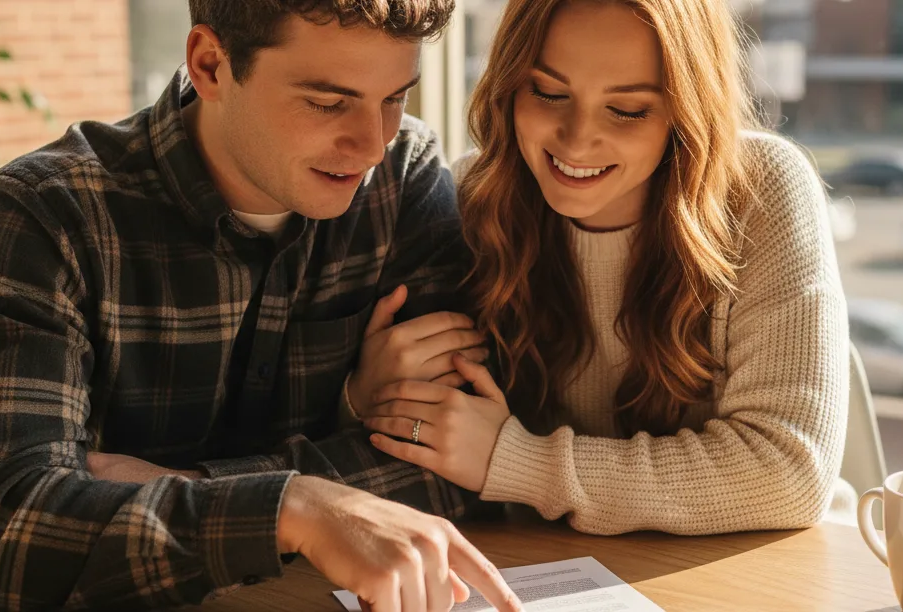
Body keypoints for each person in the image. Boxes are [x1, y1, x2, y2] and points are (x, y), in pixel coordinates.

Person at [0, 1, 523, 611]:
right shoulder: (42, 219)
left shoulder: (403, 179)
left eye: (395, 98)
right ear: (211, 65)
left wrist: (208, 492)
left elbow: (454, 467)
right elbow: (15, 530)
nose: (373, 144)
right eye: (328, 102)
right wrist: (296, 506)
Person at [361, 0, 854, 536]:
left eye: (627, 110)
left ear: (687, 109)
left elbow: (788, 472)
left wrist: (519, 463)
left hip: (759, 566)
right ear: (508, 85)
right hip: (553, 570)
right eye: (549, 93)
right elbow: (425, 442)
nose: (576, 139)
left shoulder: (762, 190)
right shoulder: (471, 198)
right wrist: (364, 398)